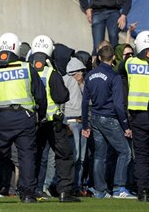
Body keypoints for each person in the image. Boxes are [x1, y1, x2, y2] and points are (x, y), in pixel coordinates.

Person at [0, 32, 46, 203]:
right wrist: (40, 117)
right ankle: (27, 194)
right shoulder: (27, 68)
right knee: (26, 156)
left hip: (1, 118)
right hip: (24, 117)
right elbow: (40, 95)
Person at [28, 35, 80, 203]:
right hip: (53, 122)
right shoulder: (52, 73)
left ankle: (32, 190)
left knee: (34, 157)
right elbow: (62, 96)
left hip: (34, 121)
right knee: (64, 156)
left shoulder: (26, 71)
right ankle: (65, 192)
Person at [82, 45, 134, 198]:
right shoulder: (114, 76)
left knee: (99, 155)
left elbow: (85, 102)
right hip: (110, 118)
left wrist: (85, 124)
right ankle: (119, 187)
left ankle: (100, 190)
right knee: (125, 152)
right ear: (113, 58)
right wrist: (125, 126)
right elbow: (118, 104)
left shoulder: (90, 75)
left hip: (95, 117)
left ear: (99, 57)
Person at [123, 31, 149, 201]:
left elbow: (121, 63)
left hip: (138, 117)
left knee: (141, 156)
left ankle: (143, 192)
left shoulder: (130, 63)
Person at [63, 57, 88, 194]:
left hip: (82, 122)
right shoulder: (65, 81)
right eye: (81, 72)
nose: (82, 75)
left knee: (82, 158)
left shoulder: (83, 84)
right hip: (71, 122)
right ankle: (68, 186)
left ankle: (77, 187)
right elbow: (61, 102)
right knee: (75, 157)